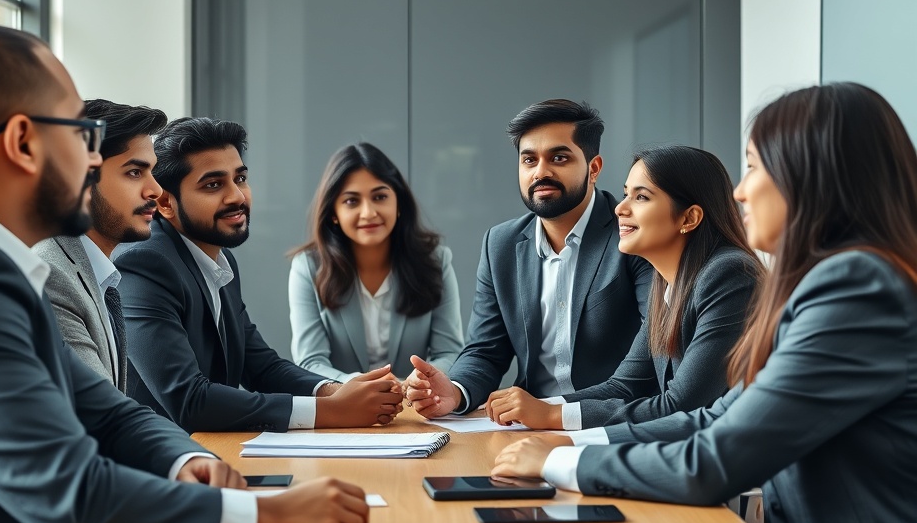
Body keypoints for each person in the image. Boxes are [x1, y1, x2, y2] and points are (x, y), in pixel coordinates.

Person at [0, 25, 369, 523]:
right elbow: (74, 493)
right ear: (23, 142)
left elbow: (110, 414)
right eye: (83, 133)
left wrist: (184, 460)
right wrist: (266, 517)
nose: (93, 159)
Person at [493, 83, 917, 523]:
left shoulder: (855, 288)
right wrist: (566, 440)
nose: (739, 191)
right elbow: (718, 416)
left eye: (756, 167)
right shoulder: (830, 282)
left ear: (815, 176)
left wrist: (562, 459)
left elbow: (715, 460)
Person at [116, 117, 403, 433]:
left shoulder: (218, 260)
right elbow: (189, 400)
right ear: (166, 203)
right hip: (158, 466)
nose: (236, 197)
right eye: (213, 185)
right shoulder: (143, 264)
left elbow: (262, 367)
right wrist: (331, 410)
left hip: (210, 454)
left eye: (239, 179)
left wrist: (341, 391)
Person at [404, 99, 654, 422]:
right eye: (529, 160)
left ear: (593, 169)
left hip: (613, 422)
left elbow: (651, 358)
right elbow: (485, 350)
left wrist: (552, 411)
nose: (541, 172)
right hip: (528, 428)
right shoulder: (501, 244)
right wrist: (453, 391)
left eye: (559, 158)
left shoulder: (631, 234)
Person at [483, 145, 761, 429]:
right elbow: (624, 386)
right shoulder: (667, 284)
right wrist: (537, 408)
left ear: (688, 218)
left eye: (641, 197)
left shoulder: (729, 274)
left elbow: (682, 404)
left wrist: (551, 416)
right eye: (626, 193)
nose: (620, 208)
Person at [289, 142, 464, 382]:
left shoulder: (436, 260)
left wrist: (416, 383)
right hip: (345, 407)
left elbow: (450, 353)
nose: (369, 212)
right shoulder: (307, 267)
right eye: (352, 201)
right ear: (333, 213)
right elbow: (310, 361)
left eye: (380, 196)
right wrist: (358, 387)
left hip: (415, 406)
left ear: (398, 204)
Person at [34, 99, 166, 392]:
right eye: (134, 172)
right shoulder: (50, 274)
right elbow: (104, 413)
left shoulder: (95, 271)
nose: (155, 189)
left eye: (152, 172)